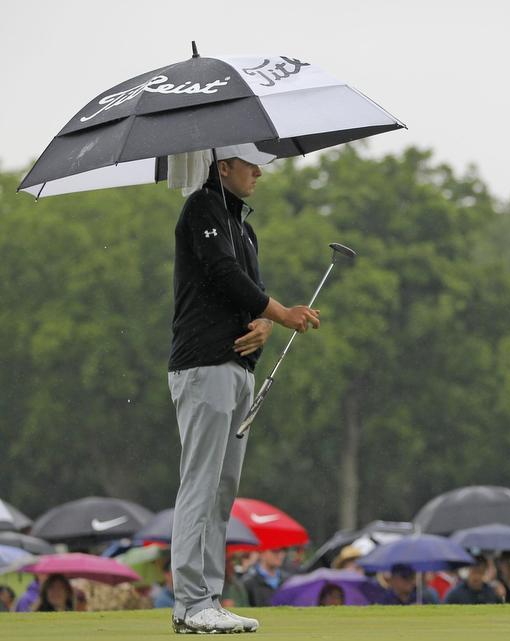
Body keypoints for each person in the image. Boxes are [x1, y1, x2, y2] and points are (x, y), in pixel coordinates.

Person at [167, 144, 320, 634]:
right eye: (250, 164)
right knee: (201, 483)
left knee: (223, 491)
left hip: (237, 368)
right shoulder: (202, 207)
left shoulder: (244, 227)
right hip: (203, 364)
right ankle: (190, 600)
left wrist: (265, 324)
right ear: (222, 166)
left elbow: (247, 295)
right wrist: (282, 314)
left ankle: (207, 599)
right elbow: (220, 273)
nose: (258, 171)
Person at [376, 565, 441, 605]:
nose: (410, 581)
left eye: (412, 577)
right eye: (405, 577)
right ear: (393, 579)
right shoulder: (384, 600)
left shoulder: (420, 598)